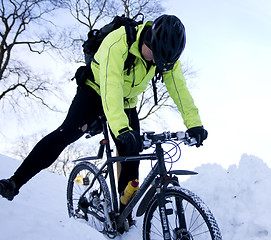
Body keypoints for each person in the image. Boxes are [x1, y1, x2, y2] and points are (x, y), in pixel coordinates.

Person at [0, 14, 207, 205]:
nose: (155, 62)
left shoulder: (166, 58)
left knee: (131, 156)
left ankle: (124, 212)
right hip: (95, 91)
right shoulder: (118, 42)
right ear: (148, 39)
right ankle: (14, 182)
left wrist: (194, 124)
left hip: (126, 102)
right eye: (154, 55)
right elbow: (111, 88)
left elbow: (180, 90)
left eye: (162, 61)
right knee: (65, 134)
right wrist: (121, 130)